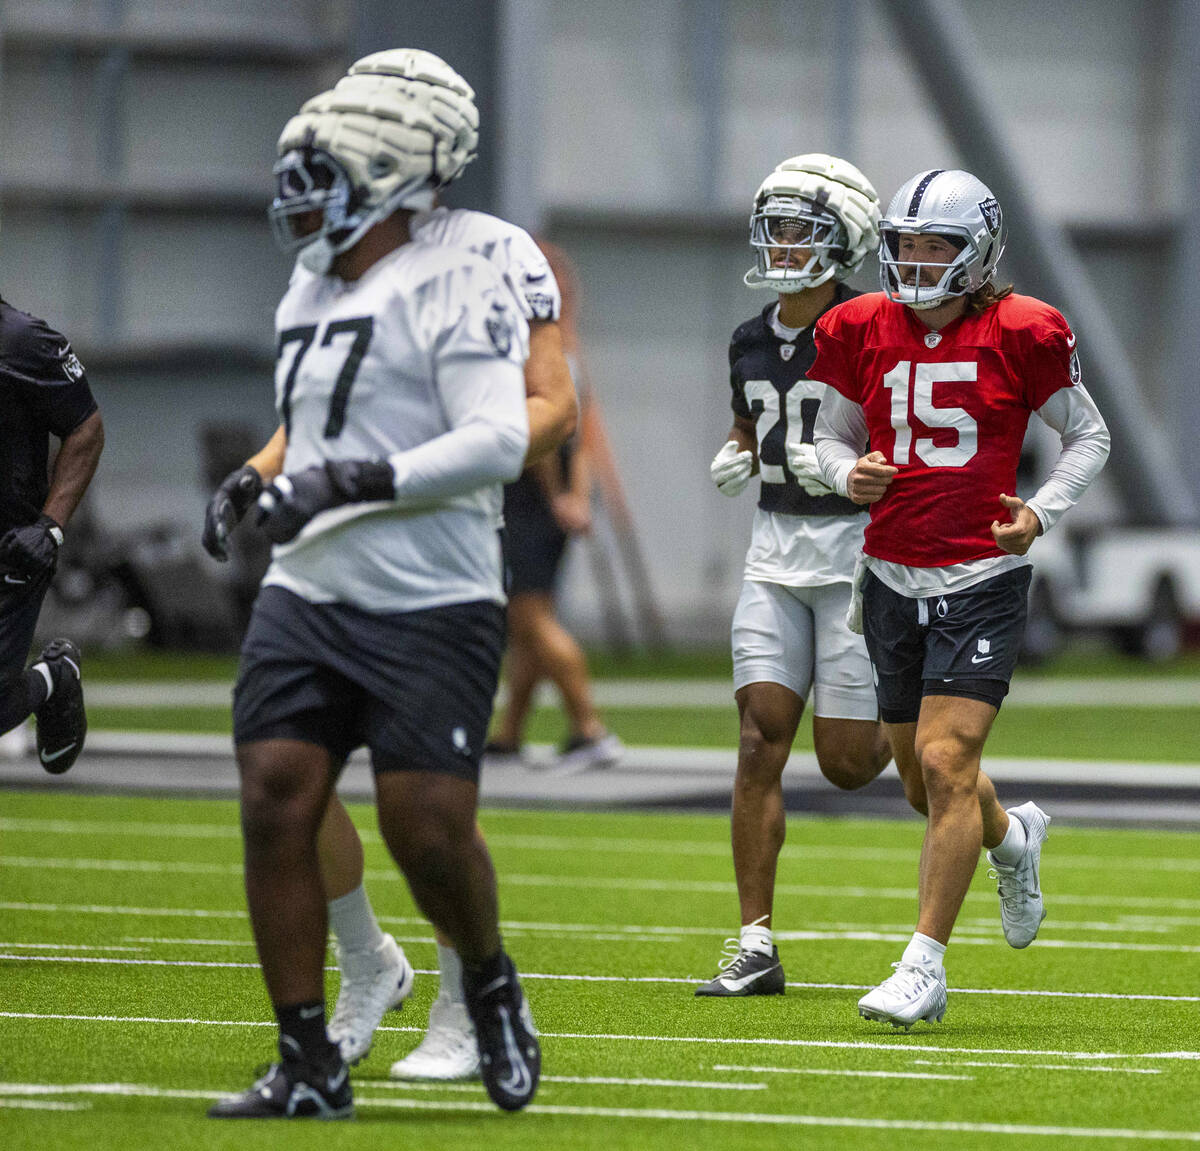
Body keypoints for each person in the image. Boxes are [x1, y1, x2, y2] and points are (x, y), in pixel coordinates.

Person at [203, 49, 578, 1086]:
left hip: (435, 561)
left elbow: (540, 412)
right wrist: (262, 474)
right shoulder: (319, 265)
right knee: (281, 787)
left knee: (429, 823)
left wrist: (379, 476)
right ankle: (340, 1001)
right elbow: (317, 414)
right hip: (316, 573)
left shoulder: (486, 254)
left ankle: (475, 992)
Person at [810, 168, 1110, 1028]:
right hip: (893, 572)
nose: (913, 261)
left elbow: (1088, 433)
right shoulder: (858, 324)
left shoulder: (1024, 329)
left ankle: (923, 965)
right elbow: (826, 436)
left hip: (982, 575)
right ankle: (1013, 840)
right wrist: (847, 473)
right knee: (922, 780)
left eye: (933, 245)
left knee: (946, 763)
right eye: (904, 244)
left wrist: (1040, 512)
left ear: (976, 252)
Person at [694, 154, 892, 998]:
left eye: (799, 228)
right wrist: (739, 453)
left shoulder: (876, 327)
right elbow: (750, 418)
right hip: (774, 552)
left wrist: (846, 469)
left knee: (848, 764)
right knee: (757, 739)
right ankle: (754, 943)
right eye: (773, 225)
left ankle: (915, 714)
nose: (780, 243)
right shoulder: (748, 336)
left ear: (842, 238)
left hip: (854, 555)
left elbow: (901, 442)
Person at [484, 239, 624, 774]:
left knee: (530, 616)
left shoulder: (530, 347)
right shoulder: (569, 351)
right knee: (528, 623)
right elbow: (582, 438)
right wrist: (576, 497)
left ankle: (588, 727)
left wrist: (559, 497)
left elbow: (541, 431)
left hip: (527, 500)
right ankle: (510, 732)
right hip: (550, 503)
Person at [0, 299, 103, 774]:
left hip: (12, 548)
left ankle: (55, 677)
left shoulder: (22, 341)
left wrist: (50, 528)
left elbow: (86, 427)